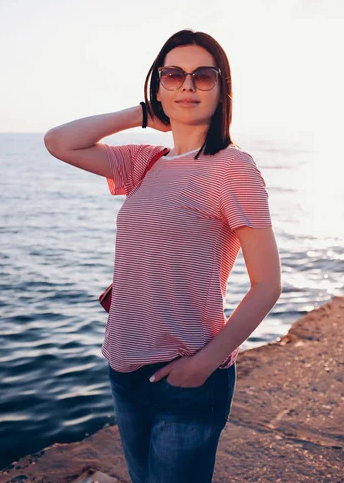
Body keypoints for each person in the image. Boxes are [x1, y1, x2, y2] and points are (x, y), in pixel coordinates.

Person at [44, 29, 281, 483]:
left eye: (203, 75)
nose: (187, 86)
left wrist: (204, 363)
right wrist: (140, 112)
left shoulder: (234, 168)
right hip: (124, 366)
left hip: (189, 376)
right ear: (158, 85)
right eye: (173, 75)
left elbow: (268, 284)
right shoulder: (145, 162)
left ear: (223, 88)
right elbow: (59, 141)